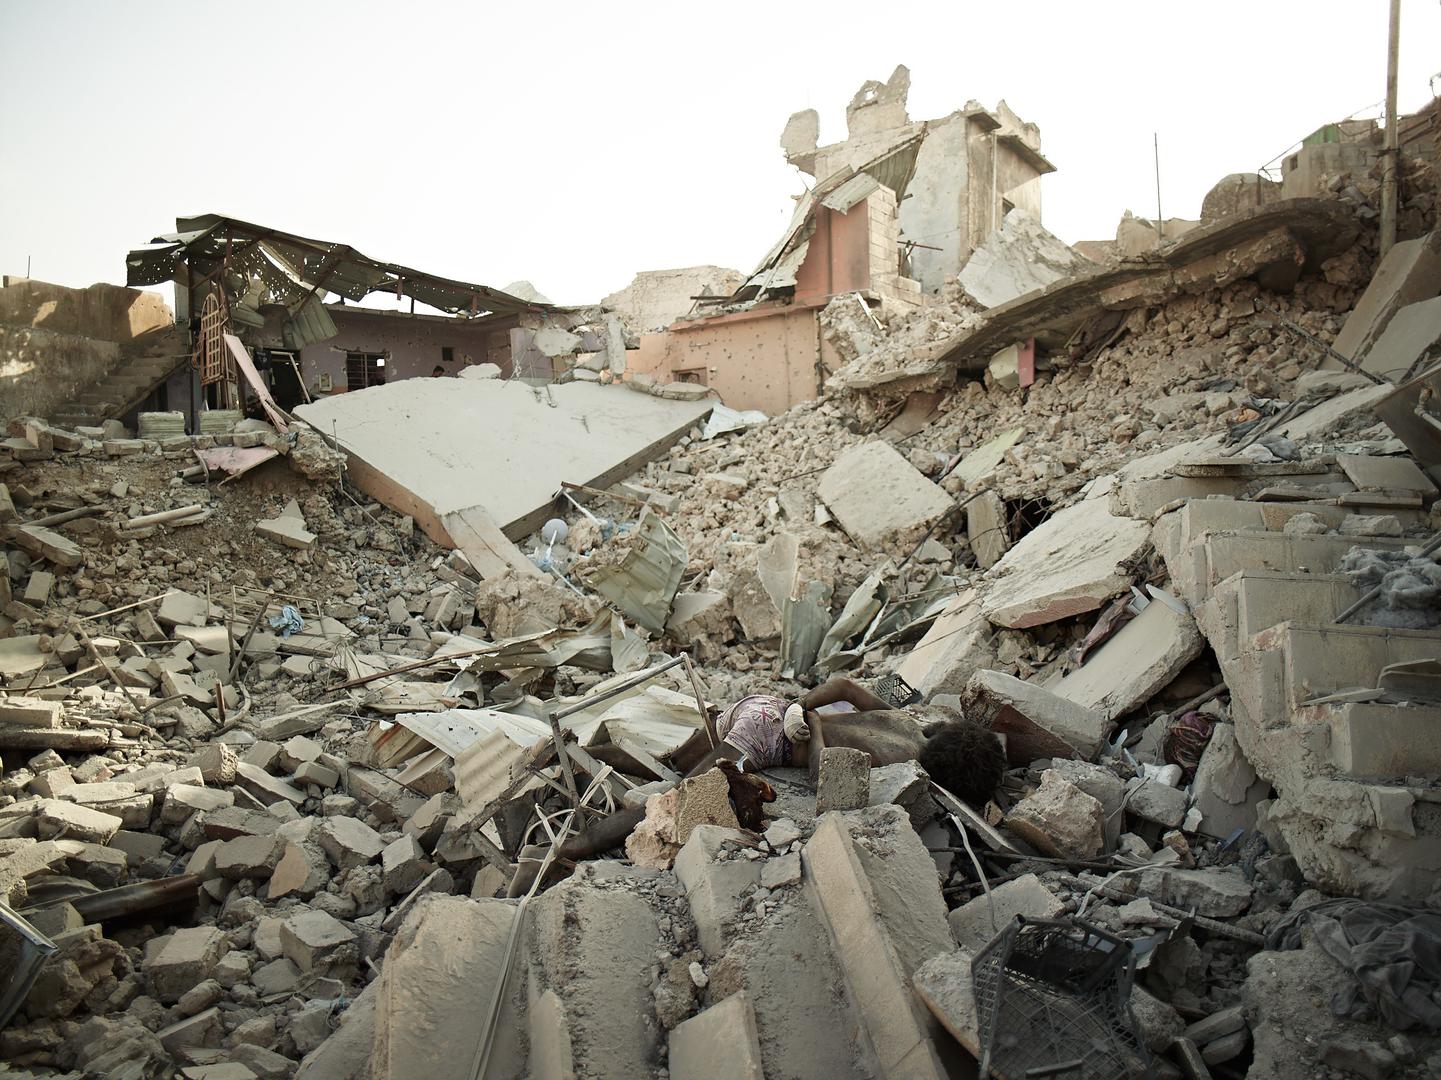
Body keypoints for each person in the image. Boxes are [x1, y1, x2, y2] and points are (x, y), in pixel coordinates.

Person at [673, 677, 1005, 809]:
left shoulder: (905, 720)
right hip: (766, 739)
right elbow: (822, 774)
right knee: (681, 798)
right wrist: (814, 727)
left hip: (765, 707)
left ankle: (619, 758)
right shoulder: (897, 763)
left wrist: (798, 706)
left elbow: (844, 686)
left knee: (672, 765)